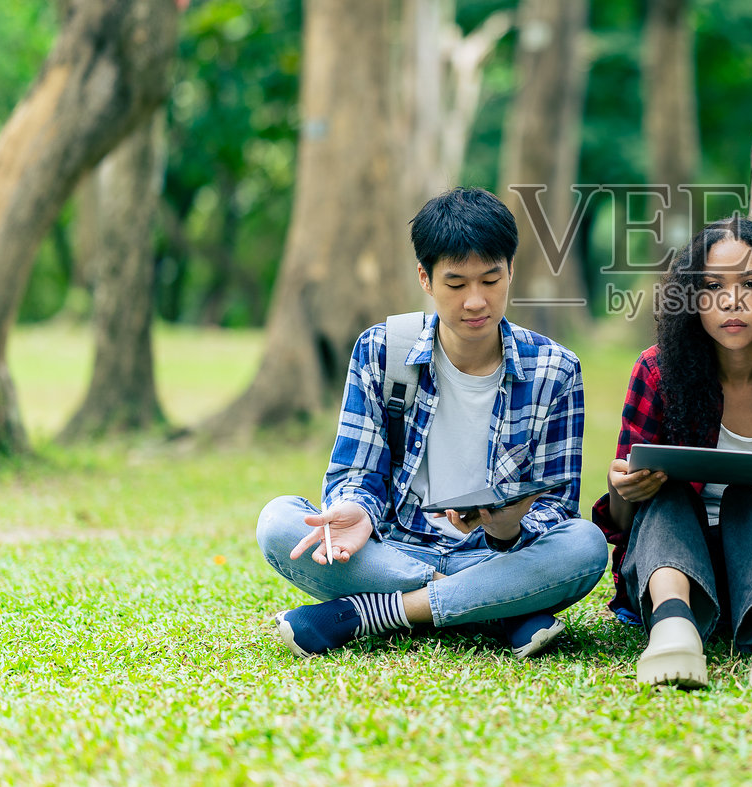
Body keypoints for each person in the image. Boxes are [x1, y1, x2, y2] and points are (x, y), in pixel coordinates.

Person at [255, 187, 608, 658]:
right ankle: (500, 607)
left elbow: (558, 507)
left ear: (510, 271)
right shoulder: (383, 349)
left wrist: (507, 531)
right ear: (425, 277)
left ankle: (371, 614)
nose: (476, 301)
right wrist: (357, 510)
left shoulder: (555, 369)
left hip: (497, 554)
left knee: (585, 545)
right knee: (278, 522)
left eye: (491, 280)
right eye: (456, 284)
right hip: (395, 551)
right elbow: (357, 472)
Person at [590, 217, 752, 691]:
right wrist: (623, 488)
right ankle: (674, 631)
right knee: (668, 499)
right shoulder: (656, 374)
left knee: (744, 500)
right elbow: (621, 524)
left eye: (751, 284)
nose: (732, 301)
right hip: (673, 577)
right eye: (713, 286)